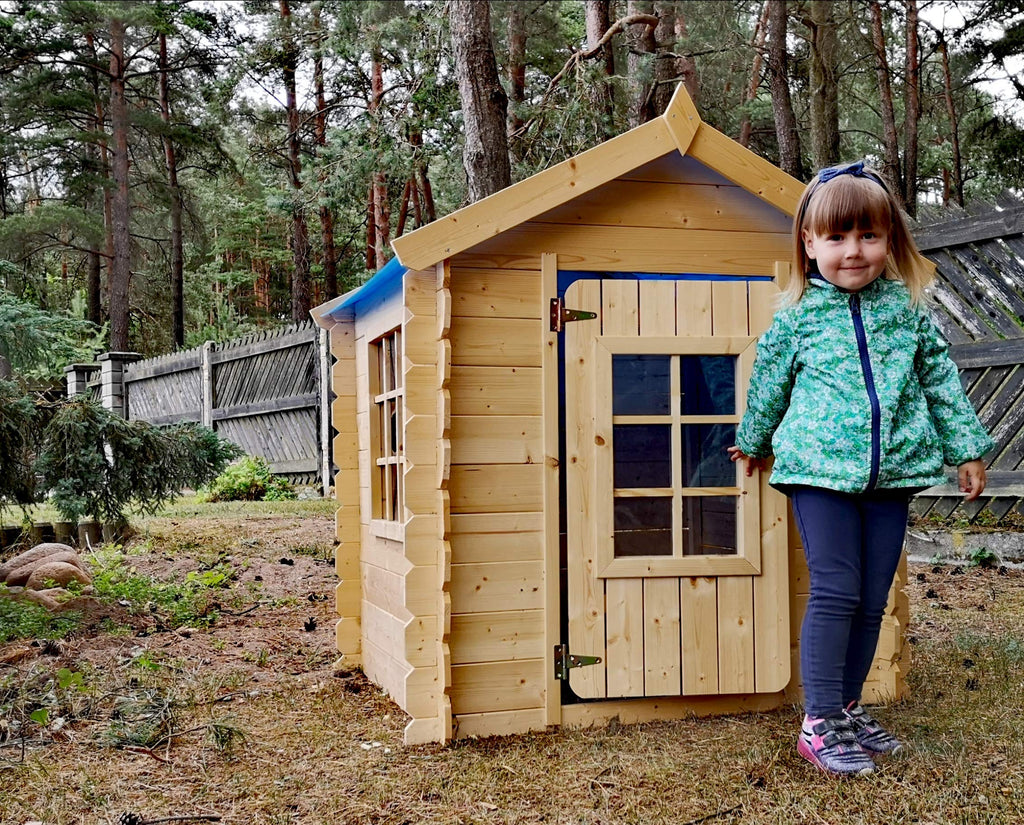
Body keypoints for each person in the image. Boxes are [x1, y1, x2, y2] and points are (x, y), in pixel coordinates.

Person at [728, 160, 993, 777]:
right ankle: (818, 720)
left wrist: (967, 448)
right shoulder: (797, 318)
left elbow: (940, 383)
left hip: (891, 473)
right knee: (837, 588)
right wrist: (753, 439)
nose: (854, 251)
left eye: (869, 236)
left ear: (890, 242)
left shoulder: (906, 313)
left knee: (872, 598)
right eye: (838, 238)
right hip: (818, 473)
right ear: (809, 243)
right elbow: (769, 385)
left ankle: (846, 708)